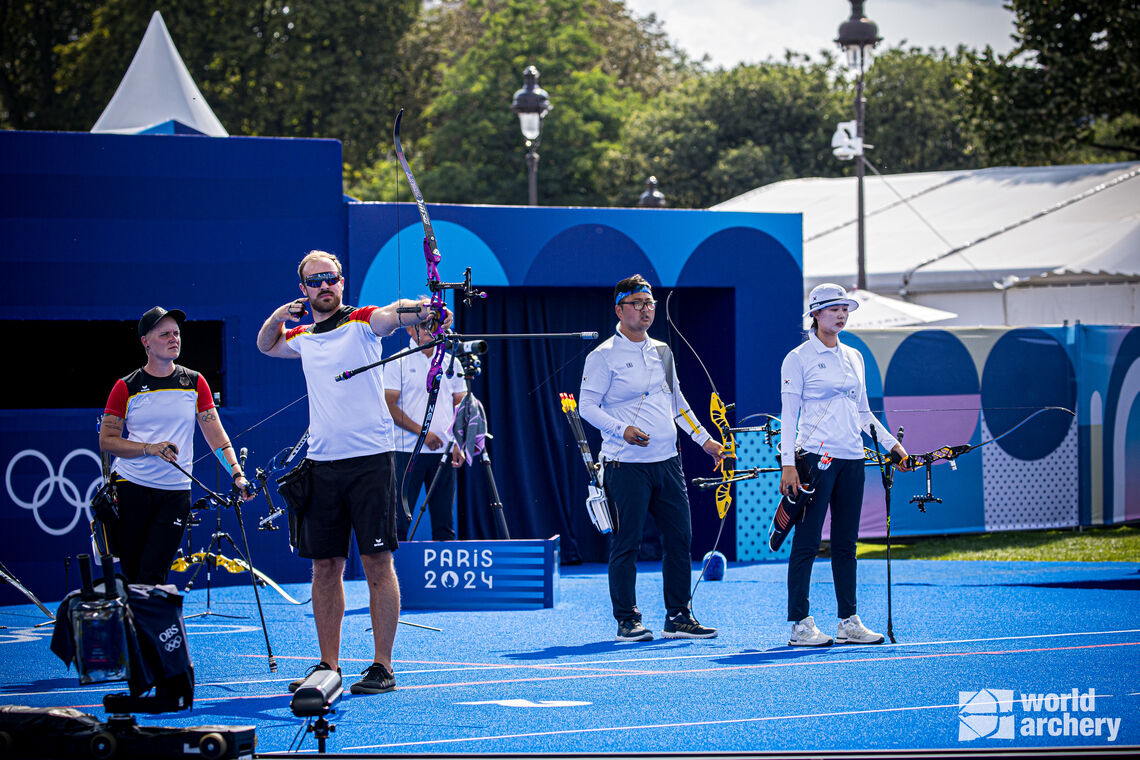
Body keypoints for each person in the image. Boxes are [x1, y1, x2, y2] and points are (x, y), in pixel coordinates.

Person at [257, 250, 442, 696]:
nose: (325, 285)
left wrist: (424, 310)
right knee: (325, 567)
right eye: (315, 280)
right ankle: (328, 666)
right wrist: (282, 314)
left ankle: (383, 666)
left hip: (370, 463)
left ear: (342, 282)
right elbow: (266, 343)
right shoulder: (299, 334)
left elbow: (391, 316)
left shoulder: (361, 320)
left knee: (378, 563)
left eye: (331, 278)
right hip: (322, 464)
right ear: (304, 289)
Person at [578, 274, 724, 642]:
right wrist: (620, 430)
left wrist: (705, 441)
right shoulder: (603, 356)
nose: (646, 310)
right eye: (638, 304)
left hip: (667, 463)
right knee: (626, 542)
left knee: (680, 539)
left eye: (650, 304)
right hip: (624, 465)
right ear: (619, 309)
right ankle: (627, 619)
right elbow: (586, 408)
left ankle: (678, 616)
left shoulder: (662, 350)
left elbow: (678, 402)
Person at [779, 283, 911, 647]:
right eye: (834, 308)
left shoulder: (854, 356)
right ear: (815, 314)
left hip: (853, 458)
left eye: (845, 309)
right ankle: (800, 624)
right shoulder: (798, 357)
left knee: (845, 544)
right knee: (806, 542)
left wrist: (893, 447)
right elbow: (789, 417)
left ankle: (847, 620)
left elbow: (863, 412)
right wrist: (788, 463)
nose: (841, 314)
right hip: (814, 459)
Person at [99, 306, 253, 586]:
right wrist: (150, 448)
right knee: (133, 574)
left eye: (177, 333)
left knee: (154, 573)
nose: (174, 339)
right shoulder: (126, 386)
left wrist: (236, 473)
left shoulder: (194, 382)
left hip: (174, 493)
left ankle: (151, 628)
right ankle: (137, 629)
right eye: (165, 334)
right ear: (145, 341)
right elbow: (107, 441)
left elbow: (215, 434)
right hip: (132, 486)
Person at [384, 324, 466, 540]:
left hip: (444, 452)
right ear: (410, 329)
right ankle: (394, 572)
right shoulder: (398, 361)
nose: (430, 330)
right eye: (423, 325)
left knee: (444, 521)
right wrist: (424, 434)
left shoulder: (452, 362)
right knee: (400, 519)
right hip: (407, 451)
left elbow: (461, 404)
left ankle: (444, 572)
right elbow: (390, 406)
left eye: (434, 325)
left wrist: (459, 442)